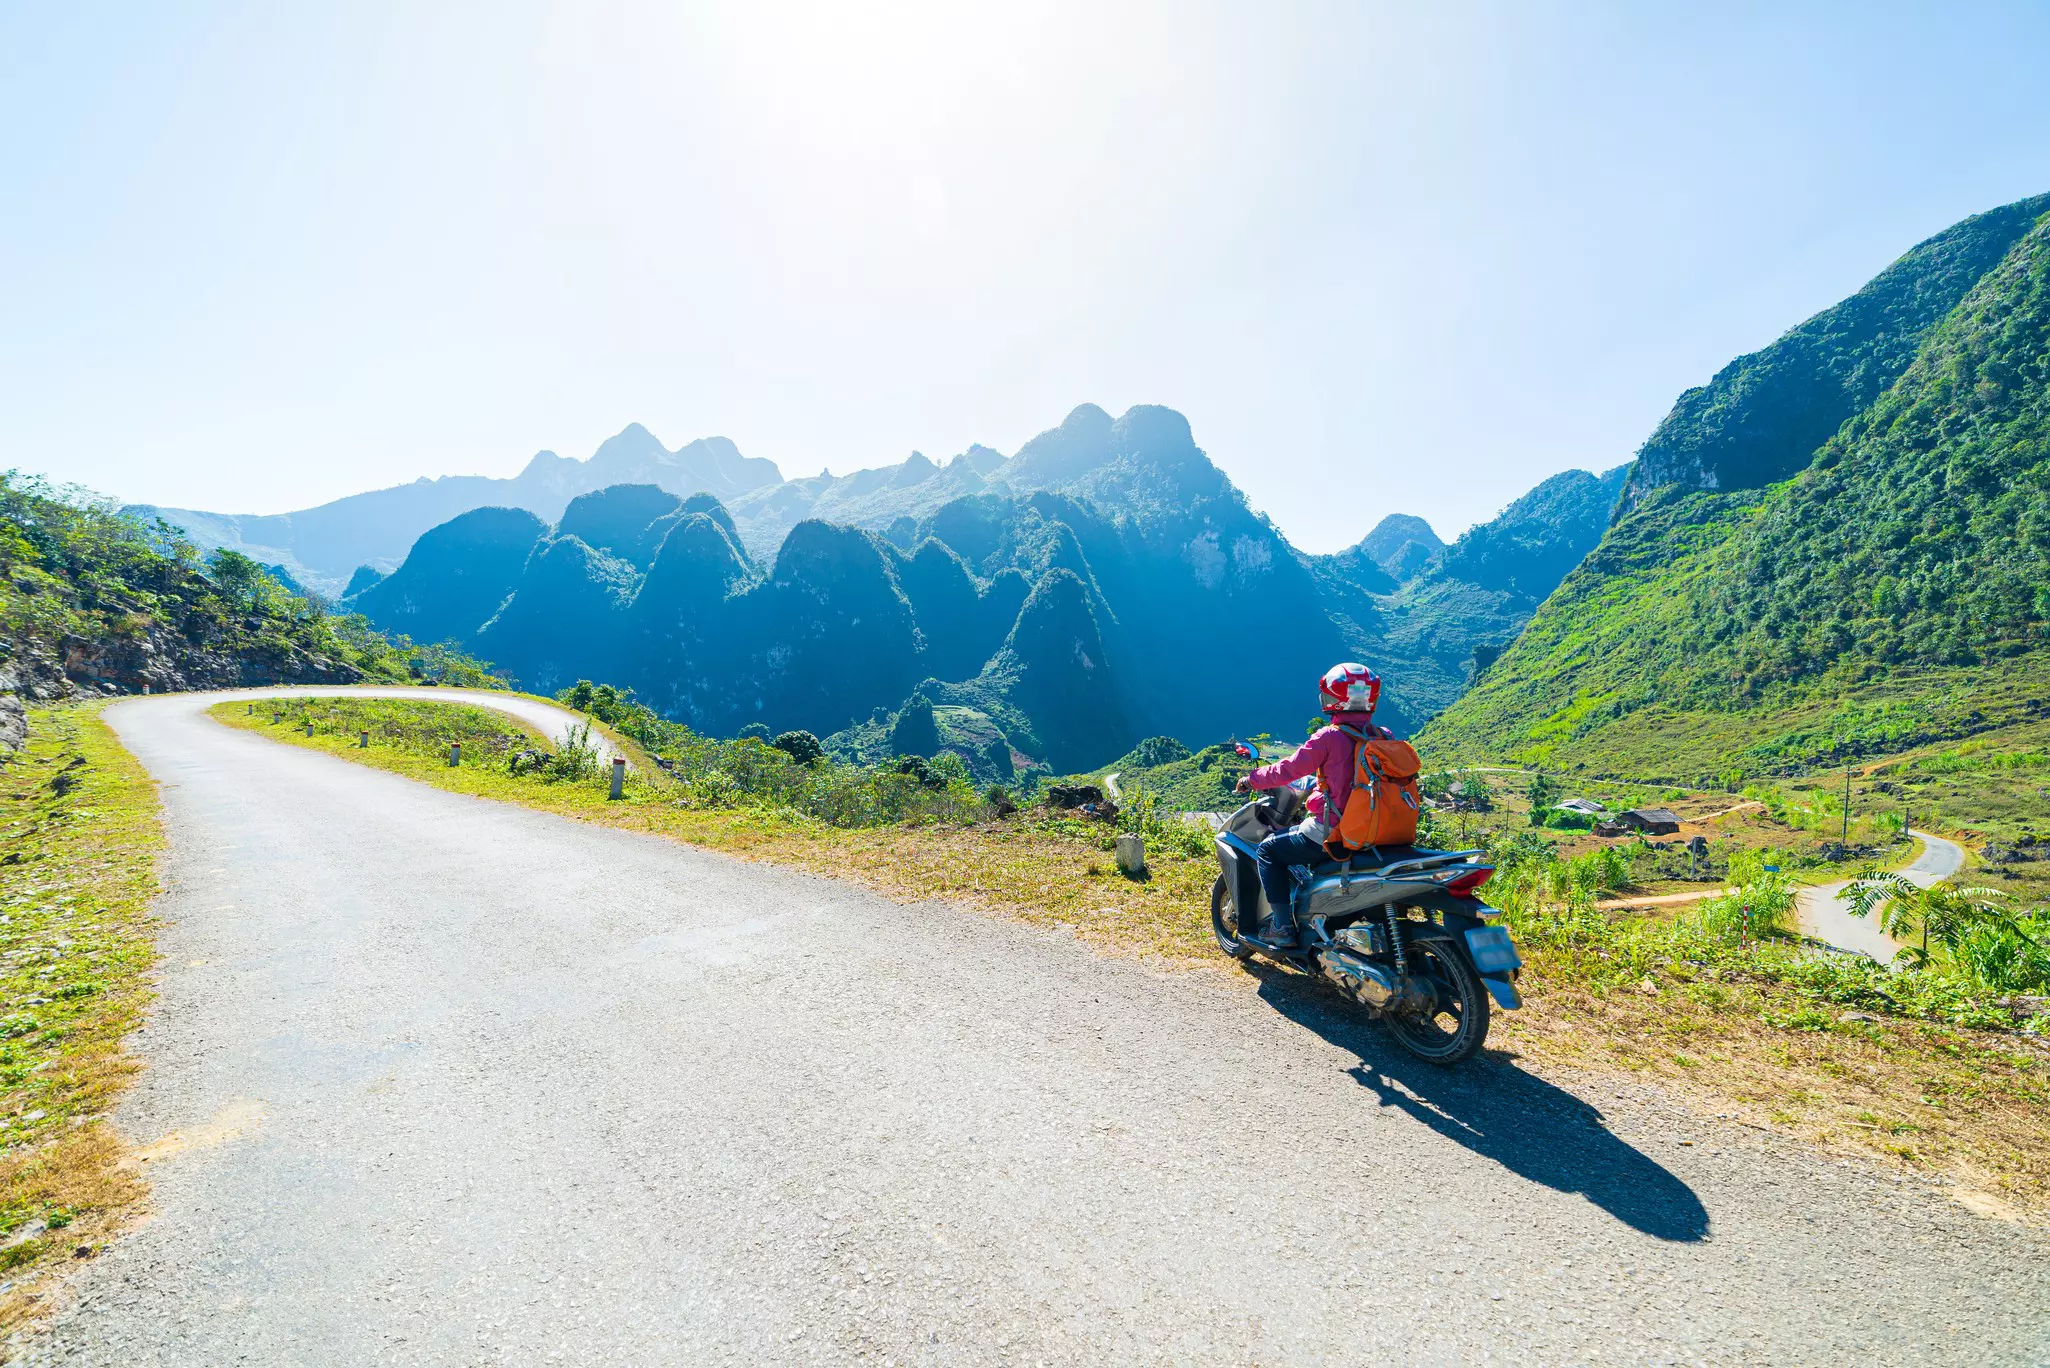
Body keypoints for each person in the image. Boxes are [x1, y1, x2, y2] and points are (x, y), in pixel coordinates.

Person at [1232, 662, 1395, 949]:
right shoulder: (1383, 735)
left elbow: (1289, 770)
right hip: (1381, 830)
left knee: (1269, 850)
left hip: (1335, 830)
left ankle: (1282, 927)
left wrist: (1252, 778)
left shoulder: (1329, 737)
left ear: (1332, 697)